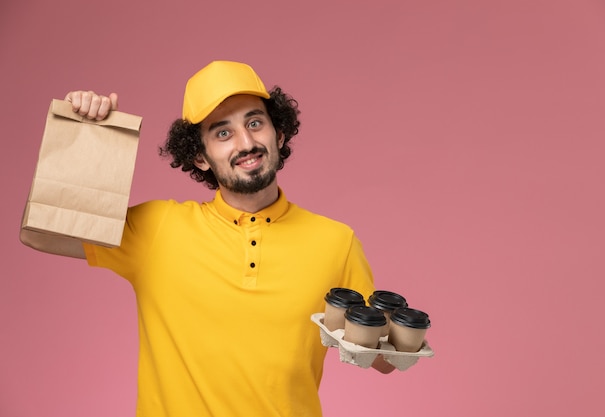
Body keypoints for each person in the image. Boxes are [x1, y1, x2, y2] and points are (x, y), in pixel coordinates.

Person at [20, 60, 394, 417]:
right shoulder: (157, 228)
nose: (246, 143)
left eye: (255, 122)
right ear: (200, 157)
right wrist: (85, 136)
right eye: (223, 132)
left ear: (278, 133)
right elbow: (39, 234)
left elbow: (379, 359)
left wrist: (404, 338)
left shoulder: (336, 241)